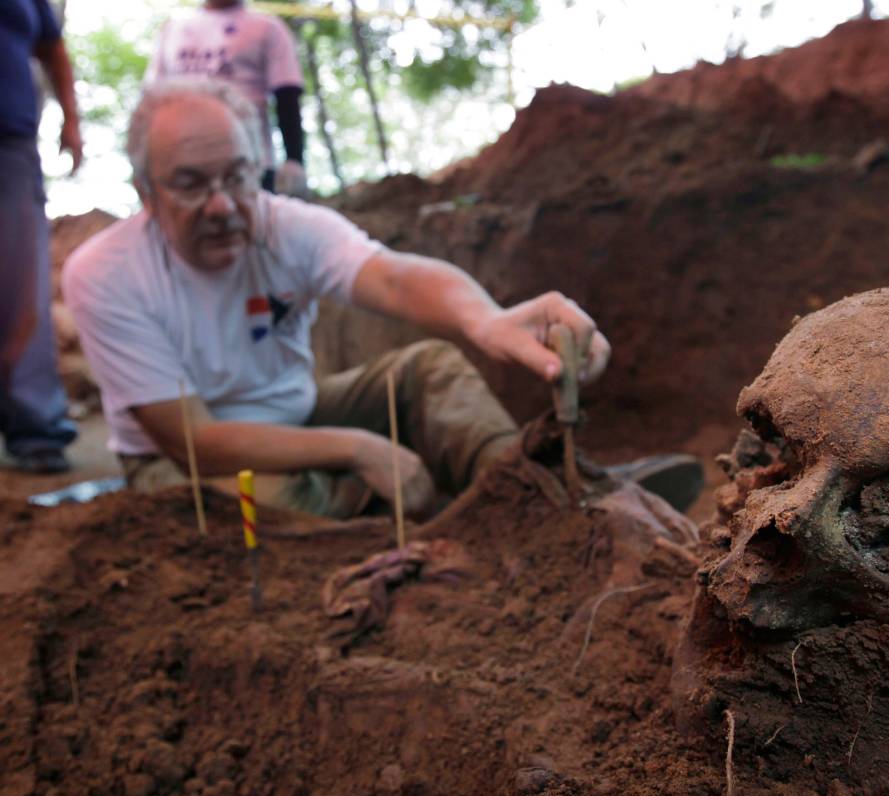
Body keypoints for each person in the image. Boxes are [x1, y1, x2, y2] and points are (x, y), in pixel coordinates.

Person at [63, 79, 701, 518]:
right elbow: (194, 442)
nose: (224, 205)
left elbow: (393, 276)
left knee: (429, 370)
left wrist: (484, 319)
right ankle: (448, 533)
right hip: (184, 467)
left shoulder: (287, 226)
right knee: (272, 499)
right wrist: (357, 448)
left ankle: (531, 497)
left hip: (301, 412)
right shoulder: (106, 274)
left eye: (237, 176)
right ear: (145, 192)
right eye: (191, 185)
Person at [0, 0, 82, 473]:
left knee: (22, 287)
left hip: (10, 143)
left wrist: (71, 119)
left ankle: (36, 429)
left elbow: (52, 47)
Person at [146, 0, 306, 196]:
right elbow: (153, 99)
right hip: (182, 162)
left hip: (249, 163)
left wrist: (294, 159)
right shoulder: (172, 30)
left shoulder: (268, 28)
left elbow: (287, 96)